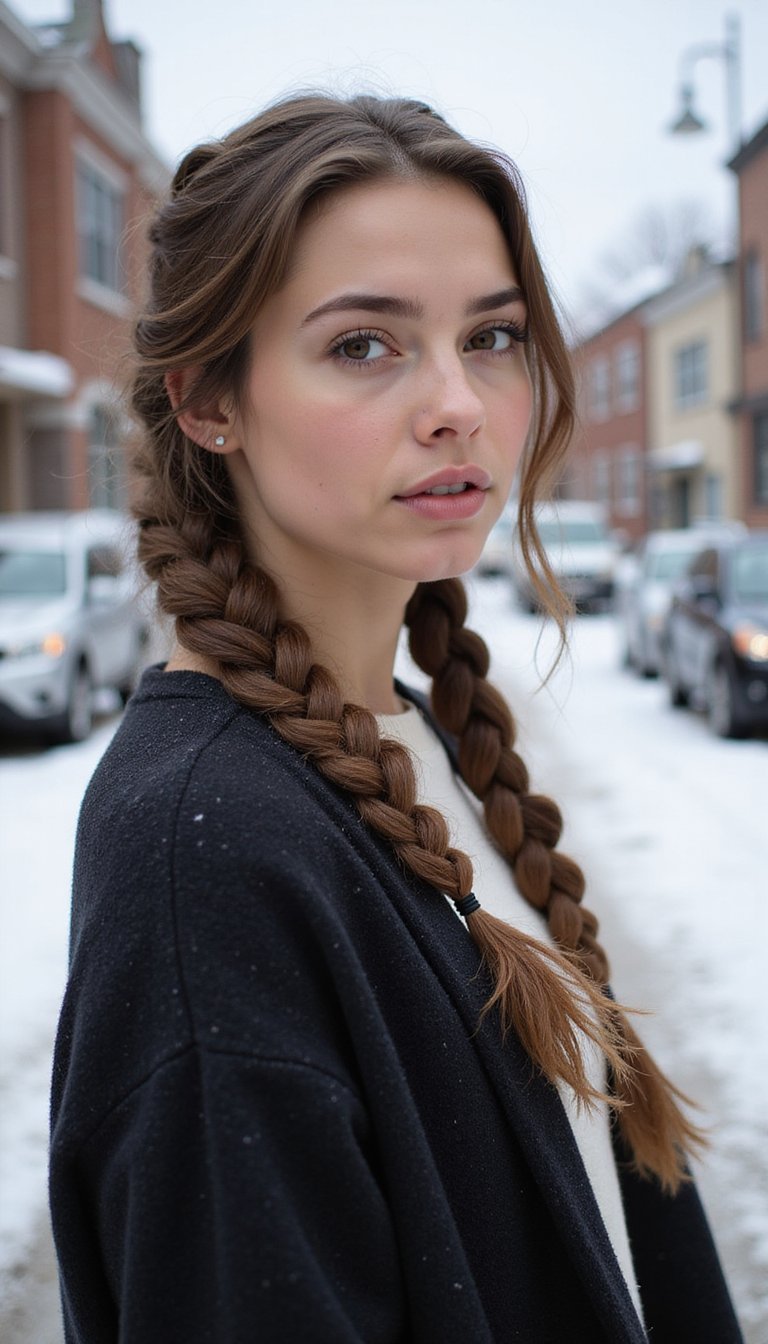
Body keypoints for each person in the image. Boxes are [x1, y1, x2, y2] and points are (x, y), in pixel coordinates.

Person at [49, 93, 743, 1344]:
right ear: (208, 401)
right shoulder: (205, 854)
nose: (459, 402)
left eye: (493, 336)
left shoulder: (401, 739)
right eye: (365, 344)